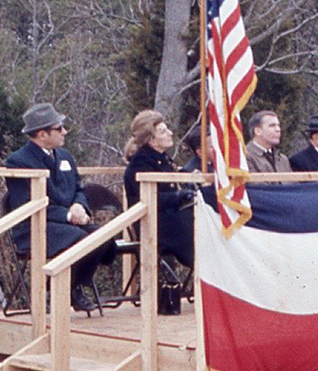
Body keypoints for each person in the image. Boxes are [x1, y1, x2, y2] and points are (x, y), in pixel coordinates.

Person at [5, 103, 116, 312]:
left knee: (104, 236)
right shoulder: (19, 161)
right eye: (59, 128)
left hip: (67, 223)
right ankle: (57, 291)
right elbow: (29, 204)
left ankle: (72, 287)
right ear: (42, 134)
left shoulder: (65, 156)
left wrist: (79, 206)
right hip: (35, 227)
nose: (65, 132)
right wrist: (68, 215)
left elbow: (78, 189)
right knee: (81, 239)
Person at [123, 110, 194, 268]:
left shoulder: (163, 158)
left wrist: (189, 182)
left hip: (170, 219)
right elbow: (150, 199)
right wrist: (179, 196)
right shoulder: (140, 163)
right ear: (151, 139)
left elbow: (174, 183)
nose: (170, 133)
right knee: (193, 225)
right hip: (152, 223)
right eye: (162, 131)